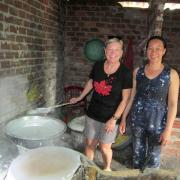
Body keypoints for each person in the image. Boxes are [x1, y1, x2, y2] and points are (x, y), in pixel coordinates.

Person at [70, 38, 132, 171]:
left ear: (121, 53)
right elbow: (91, 82)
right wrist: (80, 97)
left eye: (116, 50)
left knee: (104, 147)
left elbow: (125, 100)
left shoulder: (125, 73)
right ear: (104, 51)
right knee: (89, 144)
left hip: (111, 116)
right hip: (93, 113)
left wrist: (114, 119)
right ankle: (90, 168)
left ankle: (107, 168)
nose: (112, 53)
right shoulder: (98, 65)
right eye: (110, 50)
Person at [119, 36, 179, 169]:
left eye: (158, 49)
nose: (154, 52)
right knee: (137, 156)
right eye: (150, 48)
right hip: (137, 122)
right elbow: (131, 97)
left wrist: (168, 130)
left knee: (153, 159)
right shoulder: (137, 72)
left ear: (164, 51)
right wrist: (123, 118)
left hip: (158, 124)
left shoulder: (171, 74)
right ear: (146, 51)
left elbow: (173, 104)